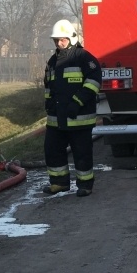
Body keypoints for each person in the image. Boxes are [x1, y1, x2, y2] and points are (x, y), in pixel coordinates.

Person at [42, 19, 102, 198]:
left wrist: (77, 102)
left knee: (81, 153)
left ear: (72, 38)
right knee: (52, 149)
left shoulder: (84, 58)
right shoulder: (52, 61)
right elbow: (48, 86)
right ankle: (59, 183)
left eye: (63, 40)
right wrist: (48, 103)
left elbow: (93, 82)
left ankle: (85, 185)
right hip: (56, 118)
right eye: (56, 40)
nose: (59, 43)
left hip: (79, 117)